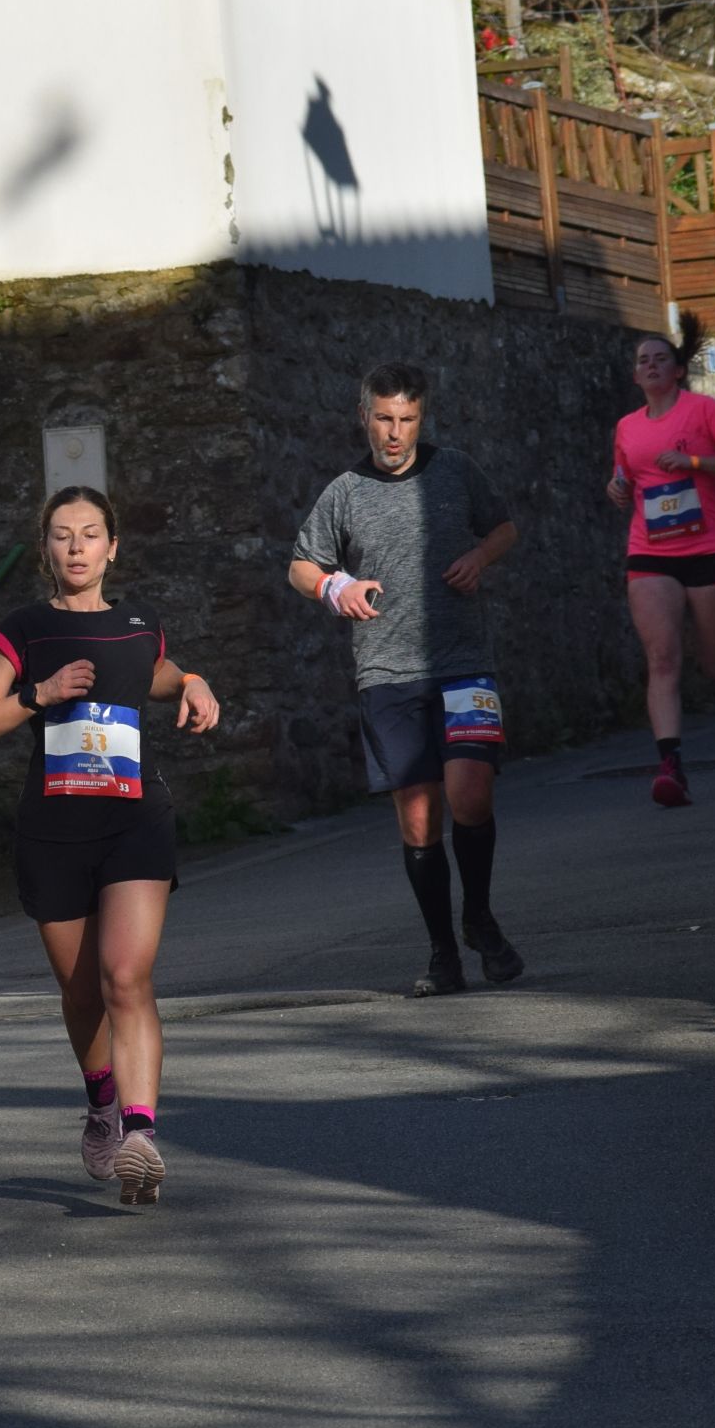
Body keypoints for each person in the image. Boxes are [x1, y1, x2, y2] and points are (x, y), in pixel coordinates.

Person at [0, 487, 221, 1205]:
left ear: (113, 547)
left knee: (125, 977)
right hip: (54, 831)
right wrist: (39, 693)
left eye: (90, 534)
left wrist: (192, 681)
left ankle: (140, 1134)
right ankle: (102, 1097)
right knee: (81, 993)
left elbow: (153, 673)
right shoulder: (24, 628)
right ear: (46, 549)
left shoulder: (139, 623)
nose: (76, 547)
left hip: (136, 821)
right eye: (62, 534)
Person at [287, 366, 527, 999]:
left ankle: (479, 917)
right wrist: (335, 587)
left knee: (471, 796)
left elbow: (503, 527)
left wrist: (479, 556)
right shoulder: (344, 492)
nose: (395, 433)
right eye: (384, 419)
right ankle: (443, 952)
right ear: (363, 416)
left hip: (463, 662)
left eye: (407, 420)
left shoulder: (456, 471)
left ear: (422, 418)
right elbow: (301, 566)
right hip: (387, 675)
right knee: (419, 820)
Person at [608, 336, 715, 805]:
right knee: (662, 659)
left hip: (709, 549)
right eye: (643, 361)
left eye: (660, 359)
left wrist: (696, 462)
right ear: (635, 376)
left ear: (678, 370)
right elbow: (624, 474)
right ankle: (671, 767)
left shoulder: (706, 412)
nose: (651, 366)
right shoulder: (627, 426)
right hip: (650, 552)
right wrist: (616, 488)